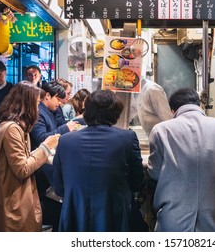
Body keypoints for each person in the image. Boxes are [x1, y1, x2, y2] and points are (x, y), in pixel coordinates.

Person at [147, 87, 215, 232]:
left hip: (173, 220)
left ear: (173, 110)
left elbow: (154, 174)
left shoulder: (160, 130)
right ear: (199, 105)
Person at [53, 89, 146, 231]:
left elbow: (59, 187)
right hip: (115, 217)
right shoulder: (127, 138)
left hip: (74, 217)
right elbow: (137, 181)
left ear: (87, 111)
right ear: (115, 112)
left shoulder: (65, 140)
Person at [0, 81, 60, 232]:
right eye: (36, 104)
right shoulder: (12, 129)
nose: (38, 109)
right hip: (12, 197)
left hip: (13, 195)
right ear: (26, 104)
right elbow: (22, 168)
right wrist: (45, 147)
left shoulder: (16, 126)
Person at [29, 81, 78, 231]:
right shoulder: (39, 113)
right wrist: (65, 128)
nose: (60, 103)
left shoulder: (50, 110)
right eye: (58, 99)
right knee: (54, 208)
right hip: (41, 168)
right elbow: (42, 137)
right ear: (47, 96)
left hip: (48, 164)